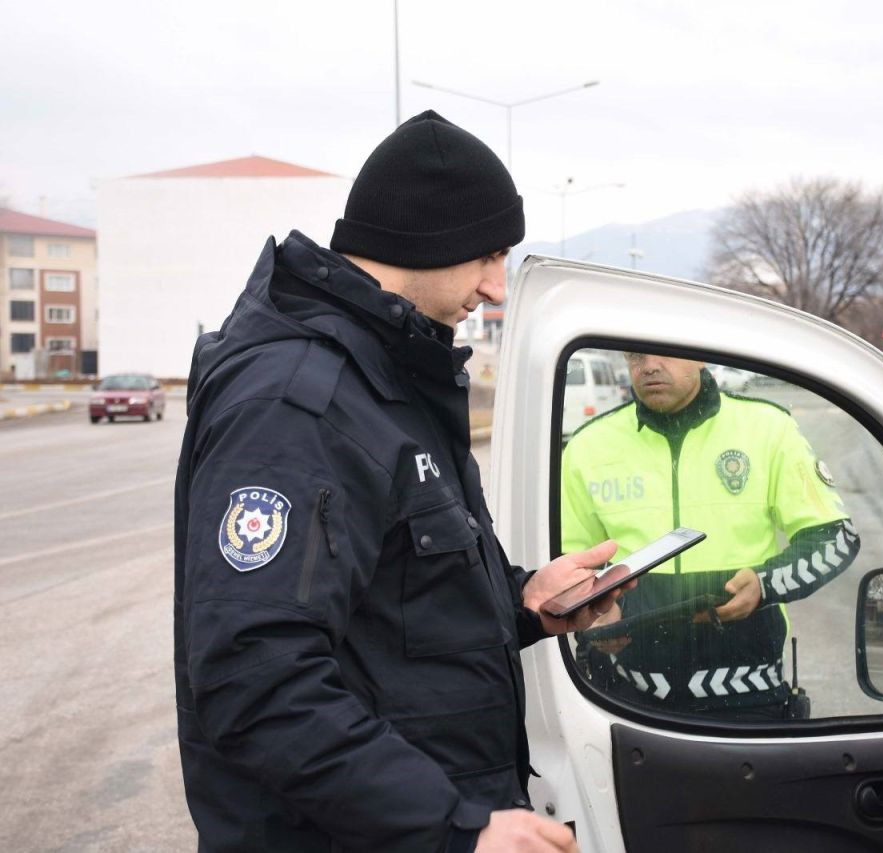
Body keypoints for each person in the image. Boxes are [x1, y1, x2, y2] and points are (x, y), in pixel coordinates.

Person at [174, 110, 623, 852]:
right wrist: (453, 829)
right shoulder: (299, 401)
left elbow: (387, 614)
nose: (496, 287)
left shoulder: (386, 378)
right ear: (426, 239)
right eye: (487, 255)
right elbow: (256, 678)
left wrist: (524, 602)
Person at [560, 352, 860, 719]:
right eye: (636, 355)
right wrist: (595, 609)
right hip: (624, 696)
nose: (649, 366)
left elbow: (834, 538)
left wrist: (765, 584)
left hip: (748, 696)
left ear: (699, 355)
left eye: (664, 351)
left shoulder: (767, 427)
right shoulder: (587, 445)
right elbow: (565, 563)